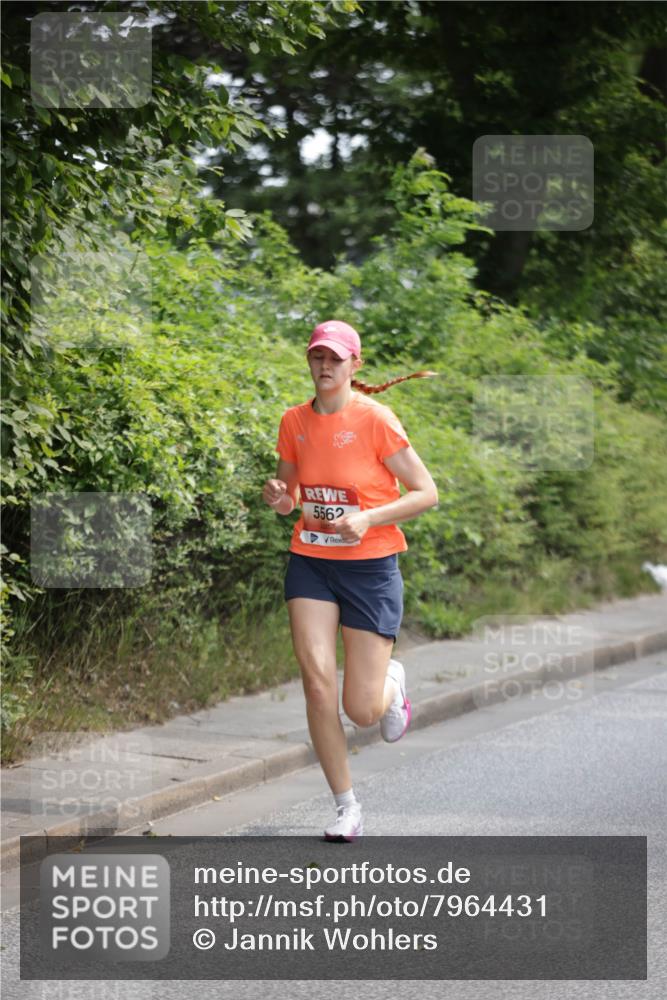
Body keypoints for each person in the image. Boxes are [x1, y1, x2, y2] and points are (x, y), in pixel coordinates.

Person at [262, 319, 438, 842]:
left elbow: (425, 492)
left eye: (335, 359)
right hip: (311, 560)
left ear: (354, 365)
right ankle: (346, 807)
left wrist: (368, 518)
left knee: (360, 710)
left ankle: (392, 683)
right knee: (317, 682)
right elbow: (290, 497)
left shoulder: (376, 420)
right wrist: (281, 501)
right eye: (318, 356)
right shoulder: (293, 421)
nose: (324, 366)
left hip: (370, 568)